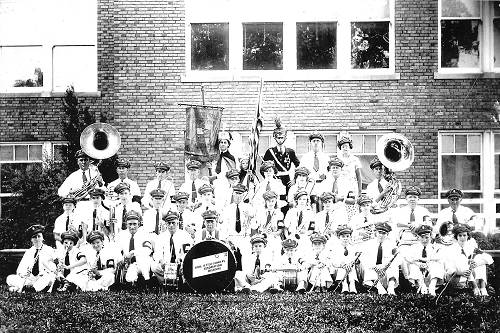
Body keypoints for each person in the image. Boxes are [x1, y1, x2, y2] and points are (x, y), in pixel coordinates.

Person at [442, 224, 493, 296]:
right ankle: (475, 287)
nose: (462, 238)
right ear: (456, 236)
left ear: (468, 236)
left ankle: (482, 288)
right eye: (460, 235)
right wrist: (459, 272)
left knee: (480, 260)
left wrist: (476, 263)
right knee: (462, 259)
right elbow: (448, 266)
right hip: (456, 275)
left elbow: (489, 258)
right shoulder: (451, 249)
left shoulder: (471, 248)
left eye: (464, 235)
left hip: (470, 273)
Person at [7, 225, 56, 292]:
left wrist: (47, 270)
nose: (37, 239)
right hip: (30, 278)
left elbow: (55, 267)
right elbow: (20, 269)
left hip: (42, 277)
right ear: (31, 240)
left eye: (39, 236)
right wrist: (24, 273)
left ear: (43, 238)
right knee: (9, 278)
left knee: (49, 278)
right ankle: (29, 287)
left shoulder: (49, 250)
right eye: (34, 237)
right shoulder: (29, 252)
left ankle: (30, 288)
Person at [151, 211, 193, 286]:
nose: (171, 225)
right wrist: (161, 261)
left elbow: (188, 252)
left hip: (180, 264)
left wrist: (181, 259)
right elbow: (157, 253)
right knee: (154, 267)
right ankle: (165, 283)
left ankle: (183, 283)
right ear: (166, 224)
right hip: (166, 265)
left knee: (187, 266)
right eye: (168, 223)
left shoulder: (185, 235)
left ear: (177, 223)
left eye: (173, 223)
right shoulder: (161, 237)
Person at [263, 117, 300, 198]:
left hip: (287, 180)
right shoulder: (270, 152)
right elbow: (263, 168)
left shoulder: (290, 152)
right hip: (274, 179)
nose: (280, 140)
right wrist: (269, 179)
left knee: (285, 201)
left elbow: (299, 167)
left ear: (285, 138)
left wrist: (295, 179)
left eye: (281, 137)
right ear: (274, 138)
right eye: (278, 137)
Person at [359, 222, 399, 295]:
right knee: (369, 270)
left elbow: (397, 259)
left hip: (385, 271)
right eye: (379, 232)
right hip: (373, 271)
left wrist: (383, 267)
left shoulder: (391, 244)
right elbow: (364, 258)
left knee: (394, 268)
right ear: (375, 233)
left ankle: (391, 288)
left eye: (384, 233)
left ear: (387, 234)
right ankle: (379, 288)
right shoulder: (368, 244)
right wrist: (374, 266)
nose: (381, 235)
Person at [405, 225, 444, 296]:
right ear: (418, 237)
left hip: (430, 273)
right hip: (419, 274)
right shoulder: (414, 247)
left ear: (431, 237)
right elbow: (408, 258)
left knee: (437, 265)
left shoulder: (434, 247)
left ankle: (432, 288)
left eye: (427, 237)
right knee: (413, 266)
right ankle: (422, 287)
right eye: (422, 237)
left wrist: (428, 262)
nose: (424, 240)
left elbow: (439, 257)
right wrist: (417, 263)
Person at [116, 211, 153, 285]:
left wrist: (133, 253)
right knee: (130, 278)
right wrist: (122, 259)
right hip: (129, 263)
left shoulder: (144, 234)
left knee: (143, 263)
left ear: (138, 224)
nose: (132, 226)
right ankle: (136, 282)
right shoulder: (121, 235)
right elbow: (117, 250)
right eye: (130, 224)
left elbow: (147, 250)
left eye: (134, 224)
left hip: (142, 261)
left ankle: (147, 281)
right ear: (126, 224)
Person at [221, 183, 255, 259]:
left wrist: (250, 217)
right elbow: (224, 227)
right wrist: (226, 239)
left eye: (241, 194)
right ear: (233, 193)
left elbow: (254, 226)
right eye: (236, 193)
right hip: (231, 238)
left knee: (246, 260)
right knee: (231, 261)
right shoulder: (227, 209)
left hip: (244, 238)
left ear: (243, 195)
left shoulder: (249, 208)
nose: (238, 196)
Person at [251, 190, 285, 261]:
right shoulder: (260, 212)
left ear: (275, 202)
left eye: (273, 201)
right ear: (265, 202)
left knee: (275, 259)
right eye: (269, 201)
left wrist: (272, 233)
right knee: (264, 259)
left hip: (274, 238)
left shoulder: (279, 213)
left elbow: (280, 230)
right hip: (263, 239)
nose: (271, 203)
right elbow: (255, 227)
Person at [330, 225, 359, 293]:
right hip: (338, 269)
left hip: (349, 268)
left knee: (352, 268)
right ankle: (344, 285)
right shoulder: (335, 248)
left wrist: (350, 264)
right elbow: (334, 262)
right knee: (342, 269)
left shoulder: (352, 247)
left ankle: (352, 284)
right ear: (339, 237)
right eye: (343, 237)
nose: (345, 238)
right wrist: (342, 264)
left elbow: (354, 259)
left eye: (347, 236)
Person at [337, 132, 362, 197]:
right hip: (341, 187)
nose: (345, 148)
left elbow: (359, 177)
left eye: (346, 146)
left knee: (352, 204)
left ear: (349, 147)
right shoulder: (338, 160)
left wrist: (359, 192)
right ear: (340, 148)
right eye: (343, 147)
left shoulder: (355, 160)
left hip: (352, 186)